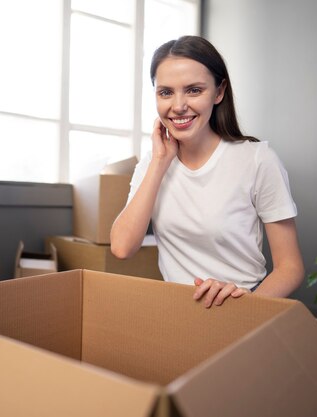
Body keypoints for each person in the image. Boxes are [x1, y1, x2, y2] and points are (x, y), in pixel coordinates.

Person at [110, 35, 304, 308]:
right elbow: (121, 247)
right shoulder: (153, 163)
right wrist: (159, 163)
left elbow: (290, 267)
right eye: (165, 92)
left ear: (219, 91)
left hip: (244, 310)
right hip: (179, 312)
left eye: (193, 90)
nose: (178, 106)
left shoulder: (258, 160)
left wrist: (244, 307)